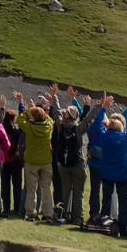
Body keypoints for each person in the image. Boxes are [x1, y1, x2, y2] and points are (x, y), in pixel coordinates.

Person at [87, 94, 127, 238]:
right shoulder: (124, 138)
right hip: (122, 174)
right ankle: (123, 230)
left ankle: (106, 226)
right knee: (123, 203)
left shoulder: (104, 137)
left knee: (106, 200)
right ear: (121, 128)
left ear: (109, 126)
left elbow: (98, 125)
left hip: (107, 173)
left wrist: (103, 108)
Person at [16, 94, 56, 222]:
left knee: (31, 188)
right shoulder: (49, 127)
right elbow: (50, 120)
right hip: (45, 161)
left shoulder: (29, 127)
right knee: (46, 188)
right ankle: (48, 214)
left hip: (32, 161)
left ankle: (31, 213)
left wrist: (29, 110)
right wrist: (43, 111)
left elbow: (20, 119)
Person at [51, 95, 89, 225]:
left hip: (63, 165)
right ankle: (78, 218)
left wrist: (55, 98)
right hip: (78, 163)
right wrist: (100, 107)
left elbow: (56, 113)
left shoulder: (61, 126)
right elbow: (89, 119)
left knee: (66, 191)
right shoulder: (78, 129)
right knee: (78, 193)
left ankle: (66, 215)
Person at [0, 106, 25, 216]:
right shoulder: (17, 129)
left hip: (5, 160)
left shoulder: (2, 127)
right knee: (17, 186)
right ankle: (16, 208)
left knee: (5, 185)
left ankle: (6, 207)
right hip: (16, 160)